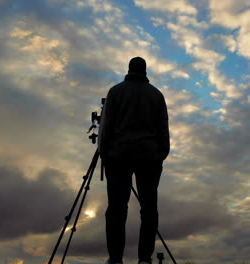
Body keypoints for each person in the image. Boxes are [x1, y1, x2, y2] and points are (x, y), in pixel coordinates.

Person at [98, 57, 170, 264]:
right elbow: (163, 130)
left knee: (116, 209)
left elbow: (106, 126)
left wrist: (105, 153)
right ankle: (145, 259)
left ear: (129, 69)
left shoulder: (115, 91)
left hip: (118, 156)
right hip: (150, 158)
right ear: (145, 71)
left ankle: (115, 258)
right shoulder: (157, 95)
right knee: (149, 209)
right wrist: (160, 154)